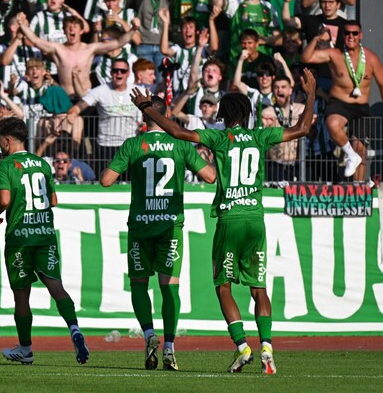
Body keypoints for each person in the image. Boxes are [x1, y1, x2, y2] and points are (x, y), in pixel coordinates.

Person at [131, 69, 317, 375]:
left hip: (229, 220)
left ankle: (243, 346)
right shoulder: (261, 136)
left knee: (224, 287)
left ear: (223, 113)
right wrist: (309, 93)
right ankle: (267, 347)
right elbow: (304, 127)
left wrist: (147, 109)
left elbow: (178, 133)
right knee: (259, 288)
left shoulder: (218, 137)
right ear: (246, 114)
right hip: (256, 221)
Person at [101, 95, 216, 371]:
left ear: (144, 118)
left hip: (140, 225)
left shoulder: (132, 145)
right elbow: (210, 176)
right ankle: (169, 347)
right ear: (166, 116)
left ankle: (149, 335)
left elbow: (106, 181)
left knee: (139, 284)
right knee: (169, 287)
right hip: (169, 226)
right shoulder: (180, 145)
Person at [0, 117, 89, 365]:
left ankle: (25, 349)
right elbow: (53, 200)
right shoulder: (43, 165)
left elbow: (3, 199)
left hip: (20, 239)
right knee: (56, 286)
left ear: (7, 140)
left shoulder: (5, 166)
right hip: (45, 234)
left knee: (21, 295)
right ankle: (74, 328)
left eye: (1, 139)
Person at [301, 21, 383, 179]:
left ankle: (358, 189)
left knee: (360, 148)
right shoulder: (335, 54)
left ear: (361, 36)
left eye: (354, 33)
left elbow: (382, 83)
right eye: (347, 33)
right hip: (340, 103)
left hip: (361, 107)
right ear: (342, 35)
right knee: (332, 124)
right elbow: (306, 57)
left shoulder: (371, 58)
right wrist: (317, 39)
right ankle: (350, 155)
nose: (350, 36)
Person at [18, 13, 122, 98]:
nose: (72, 29)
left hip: (87, 99)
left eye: (75, 27)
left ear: (81, 31)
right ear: (64, 31)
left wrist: (133, 29)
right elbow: (35, 40)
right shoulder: (57, 49)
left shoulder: (89, 49)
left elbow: (117, 43)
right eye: (68, 27)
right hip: (67, 99)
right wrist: (21, 24)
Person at [65, 58, 141, 170]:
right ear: (111, 73)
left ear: (128, 73)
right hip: (106, 145)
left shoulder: (138, 91)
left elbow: (158, 106)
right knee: (106, 183)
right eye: (115, 70)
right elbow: (79, 106)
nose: (119, 73)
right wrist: (73, 113)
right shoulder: (101, 90)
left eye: (122, 71)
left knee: (130, 182)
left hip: (129, 144)